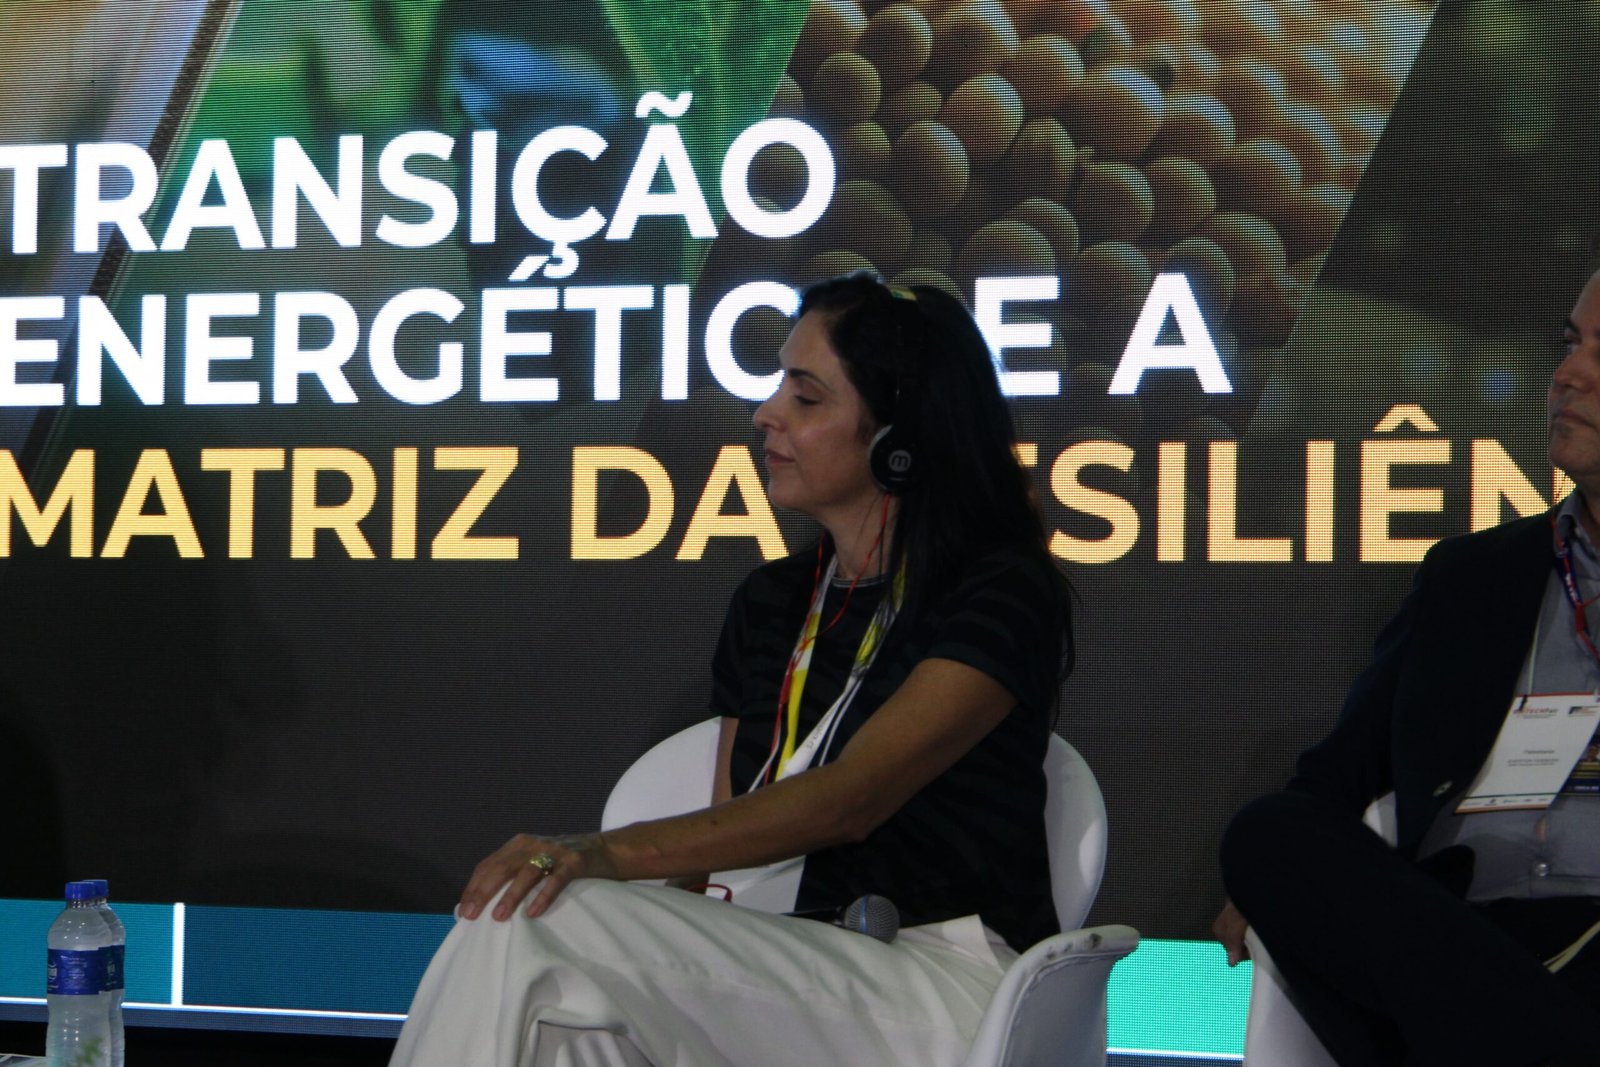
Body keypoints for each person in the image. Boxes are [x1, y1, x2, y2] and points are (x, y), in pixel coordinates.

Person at [389, 273, 1073, 1067]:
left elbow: (850, 799)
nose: (766, 413)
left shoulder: (999, 590)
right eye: (779, 386)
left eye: (805, 396)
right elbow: (733, 825)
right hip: (777, 963)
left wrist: (600, 853)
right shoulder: (774, 600)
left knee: (546, 913)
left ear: (899, 436)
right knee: (554, 987)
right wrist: (663, 923)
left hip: (943, 980)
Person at [1213, 269, 1600, 1067]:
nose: (1567, 373)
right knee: (1268, 834)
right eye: (1570, 344)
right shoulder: (1472, 575)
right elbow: (1334, 776)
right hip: (1450, 938)